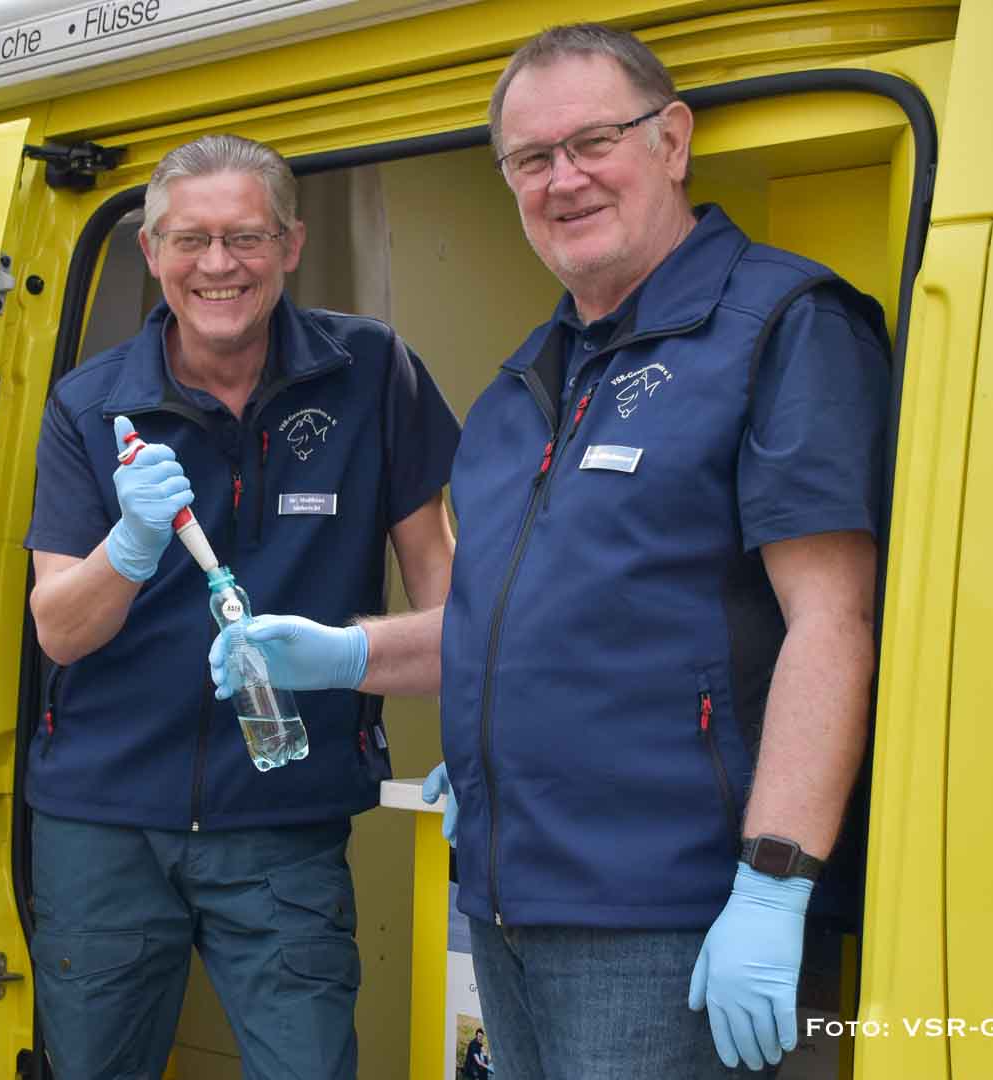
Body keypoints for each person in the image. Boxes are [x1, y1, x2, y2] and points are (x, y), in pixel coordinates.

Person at [211, 24, 889, 1078]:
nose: (562, 178)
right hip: (506, 903)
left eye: (593, 142)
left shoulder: (780, 329)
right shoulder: (524, 384)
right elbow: (502, 622)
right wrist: (344, 656)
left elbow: (832, 620)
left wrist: (774, 880)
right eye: (531, 160)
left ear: (672, 139)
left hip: (669, 918)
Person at [25, 134, 461, 1079]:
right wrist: (129, 547)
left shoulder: (372, 373)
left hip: (282, 825)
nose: (216, 265)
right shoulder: (91, 408)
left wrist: (478, 746)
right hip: (103, 830)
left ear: (292, 245)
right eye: (189, 240)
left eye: (244, 238)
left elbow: (456, 611)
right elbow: (58, 626)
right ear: (151, 252)